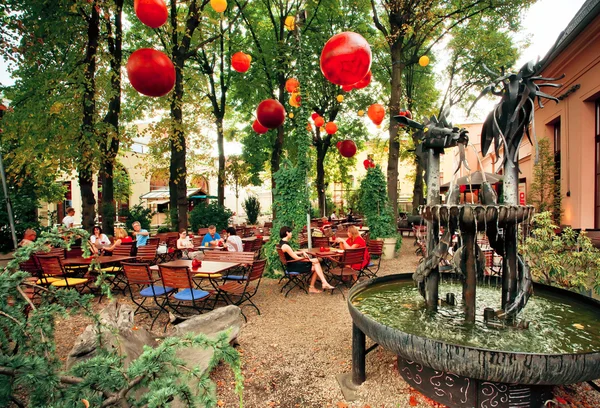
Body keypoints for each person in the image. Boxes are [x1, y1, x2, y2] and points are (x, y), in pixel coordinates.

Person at [279, 226, 335, 293]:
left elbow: (291, 253)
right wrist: (308, 260)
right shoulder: (286, 246)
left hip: (291, 264)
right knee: (316, 263)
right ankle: (317, 285)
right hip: (293, 266)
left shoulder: (282, 243)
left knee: (316, 265)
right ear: (287, 233)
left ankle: (320, 284)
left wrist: (302, 252)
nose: (291, 234)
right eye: (290, 232)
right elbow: (296, 258)